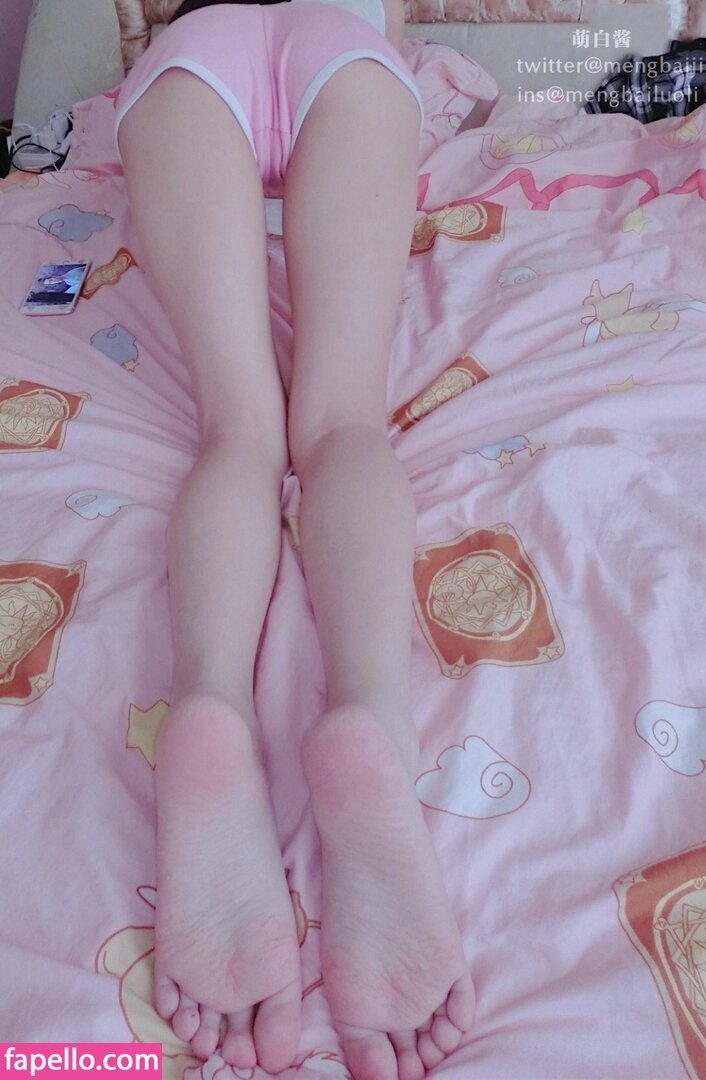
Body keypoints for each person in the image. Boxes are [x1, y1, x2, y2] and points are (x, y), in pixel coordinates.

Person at [114, 1, 476, 1077]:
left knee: (237, 431)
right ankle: (368, 713)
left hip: (191, 62)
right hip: (346, 52)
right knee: (342, 422)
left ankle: (211, 701)